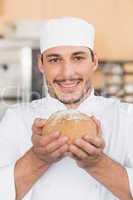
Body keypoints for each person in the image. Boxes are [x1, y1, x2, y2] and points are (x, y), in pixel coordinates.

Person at [0, 17, 133, 200]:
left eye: (78, 58)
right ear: (41, 64)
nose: (67, 73)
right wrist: (38, 158)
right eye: (55, 60)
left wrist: (97, 163)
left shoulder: (126, 118)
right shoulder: (16, 120)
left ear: (94, 61)